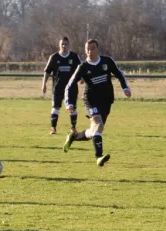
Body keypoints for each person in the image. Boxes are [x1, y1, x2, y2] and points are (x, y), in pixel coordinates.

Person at [62, 39, 131, 167]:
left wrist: (125, 87)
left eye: (92, 48)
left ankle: (73, 137)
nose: (89, 52)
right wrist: (69, 103)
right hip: (90, 100)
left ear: (98, 49)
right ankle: (99, 157)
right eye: (87, 49)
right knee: (98, 124)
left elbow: (119, 74)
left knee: (94, 131)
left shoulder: (107, 61)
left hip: (106, 101)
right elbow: (70, 85)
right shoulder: (83, 67)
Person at [42, 37, 82, 135]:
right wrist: (44, 84)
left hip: (71, 87)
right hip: (58, 87)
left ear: (69, 45)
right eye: (62, 44)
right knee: (56, 107)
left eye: (66, 44)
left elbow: (81, 69)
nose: (64, 46)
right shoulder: (54, 57)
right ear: (59, 45)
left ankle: (73, 128)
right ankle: (53, 128)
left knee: (72, 108)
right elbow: (47, 71)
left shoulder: (74, 57)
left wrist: (82, 78)